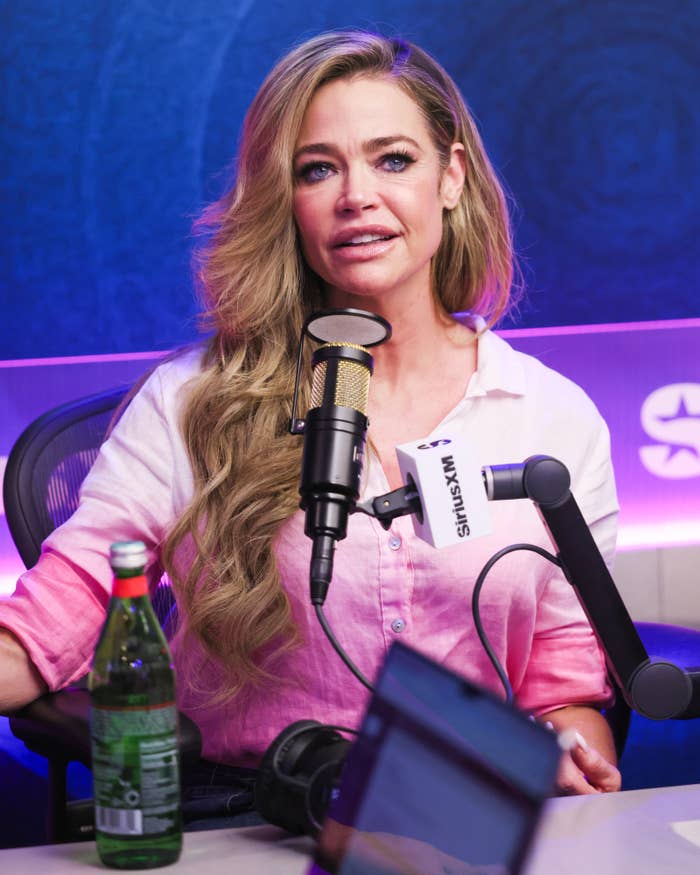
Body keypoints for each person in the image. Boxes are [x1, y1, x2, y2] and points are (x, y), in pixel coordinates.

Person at [0, 30, 621, 805]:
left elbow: (565, 680)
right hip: (245, 815)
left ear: (451, 176)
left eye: (393, 160)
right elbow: (68, 603)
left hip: (466, 816)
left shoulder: (551, 416)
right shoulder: (191, 399)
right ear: (284, 200)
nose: (357, 194)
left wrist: (566, 755)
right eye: (318, 169)